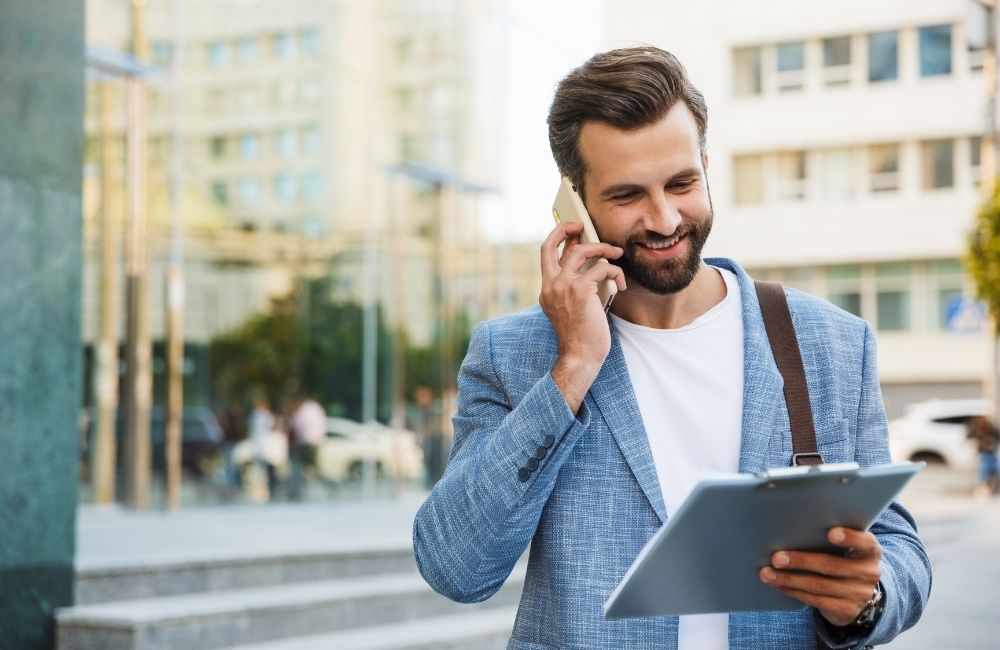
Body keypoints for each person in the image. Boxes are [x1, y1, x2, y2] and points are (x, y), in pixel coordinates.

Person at [412, 46, 930, 649]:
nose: (664, 219)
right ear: (574, 204)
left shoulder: (832, 345)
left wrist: (867, 599)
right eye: (628, 196)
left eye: (682, 183)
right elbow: (456, 568)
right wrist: (573, 366)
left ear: (706, 166)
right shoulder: (516, 355)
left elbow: (899, 552)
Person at [288, 396, 326, 500]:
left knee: (298, 466)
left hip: (305, 442)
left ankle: (296, 492)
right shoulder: (317, 408)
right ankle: (332, 486)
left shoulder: (304, 410)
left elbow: (297, 425)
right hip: (316, 442)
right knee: (313, 469)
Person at [968, 415, 1000, 497]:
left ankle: (989, 488)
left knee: (993, 470)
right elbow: (970, 436)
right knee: (984, 471)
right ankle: (984, 488)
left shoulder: (991, 429)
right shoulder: (978, 429)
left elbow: (997, 436)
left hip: (991, 452)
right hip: (985, 453)